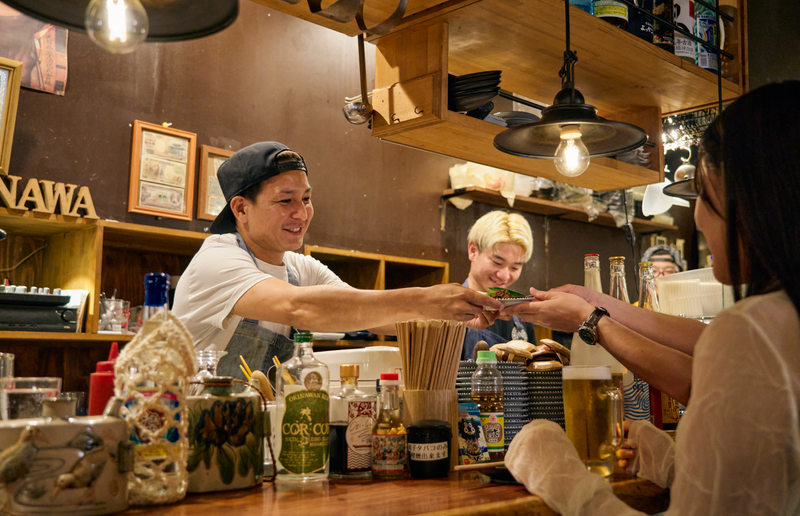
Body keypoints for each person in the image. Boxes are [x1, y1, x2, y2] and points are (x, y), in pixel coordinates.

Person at [499, 81, 800, 515]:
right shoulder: (781, 318)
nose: (697, 216)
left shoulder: (753, 328)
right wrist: (676, 465)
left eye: (705, 195)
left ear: (759, 203)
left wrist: (557, 475)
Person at [172, 142, 502, 378]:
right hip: (190, 430)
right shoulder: (217, 259)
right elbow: (297, 307)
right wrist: (423, 298)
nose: (301, 213)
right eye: (286, 201)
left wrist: (454, 315)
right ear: (241, 208)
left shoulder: (299, 268)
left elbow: (367, 314)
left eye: (306, 198)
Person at [461, 210, 538, 359]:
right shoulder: (449, 310)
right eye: (497, 262)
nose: (504, 276)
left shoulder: (521, 317)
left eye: (515, 267)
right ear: (473, 251)